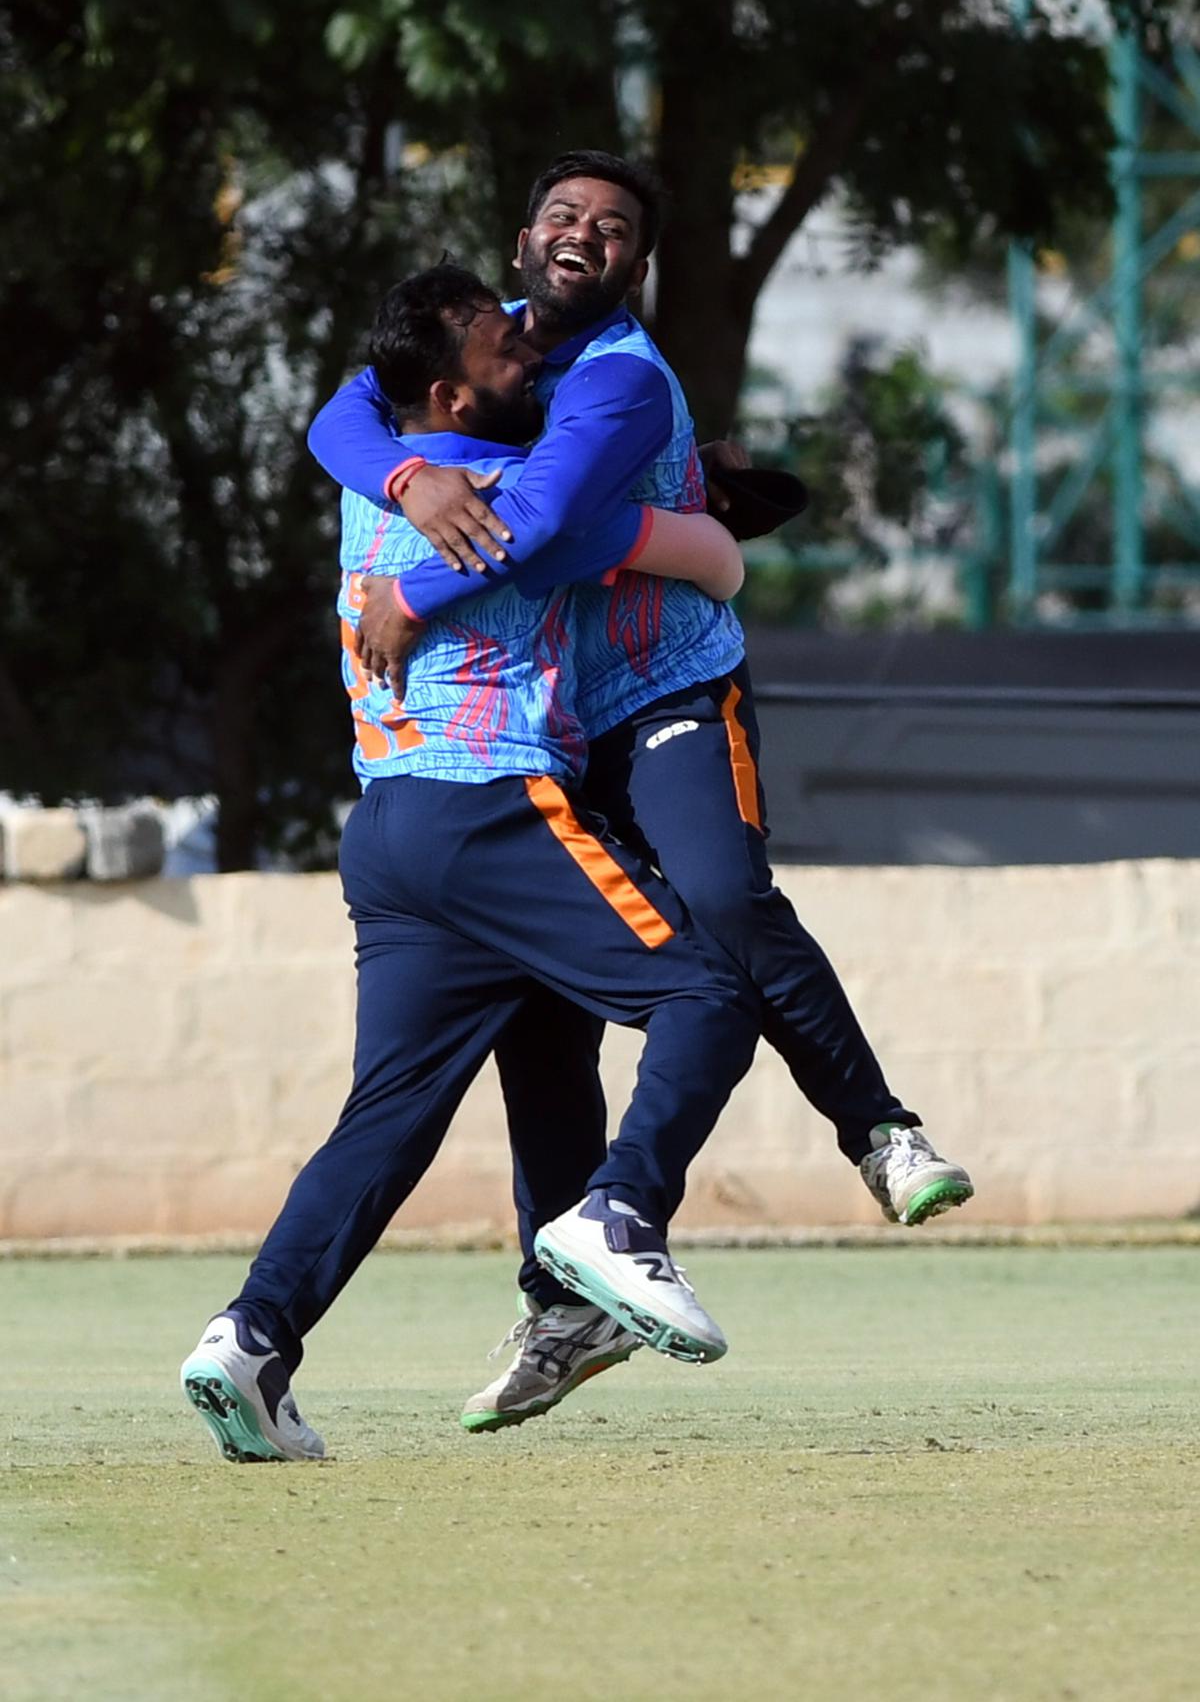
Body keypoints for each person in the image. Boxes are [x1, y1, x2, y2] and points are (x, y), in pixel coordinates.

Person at [308, 150, 974, 1433]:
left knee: (723, 899)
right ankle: (564, 1304)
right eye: (563, 214)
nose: (584, 233)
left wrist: (407, 588)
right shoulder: (480, 348)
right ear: (521, 242)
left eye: (612, 227)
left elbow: (550, 525)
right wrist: (407, 475)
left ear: (637, 267)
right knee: (540, 1025)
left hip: (663, 697)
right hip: (554, 733)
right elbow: (340, 415)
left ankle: (876, 1131)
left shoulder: (612, 374)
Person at [180, 264, 763, 1463]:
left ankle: (250, 1338)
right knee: (708, 990)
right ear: (450, 390)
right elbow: (654, 542)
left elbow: (347, 410)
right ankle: (618, 1217)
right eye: (507, 350)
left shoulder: (379, 477)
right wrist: (713, 528)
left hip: (390, 829)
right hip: (490, 804)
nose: (533, 354)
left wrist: (405, 471)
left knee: (397, 1114)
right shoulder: (498, 491)